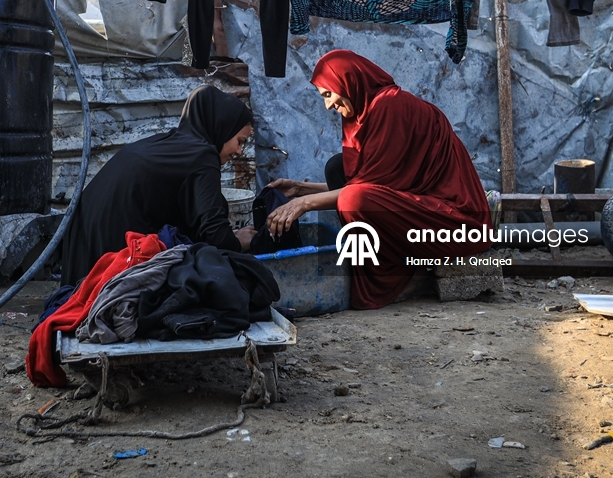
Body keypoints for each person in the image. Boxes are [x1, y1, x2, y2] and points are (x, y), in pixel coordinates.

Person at [265, 50, 491, 309]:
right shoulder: (362, 114)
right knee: (338, 168)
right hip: (421, 209)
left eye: (328, 94)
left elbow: (368, 192)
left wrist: (303, 205)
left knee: (353, 199)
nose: (328, 106)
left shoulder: (391, 106)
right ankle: (389, 263)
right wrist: (300, 190)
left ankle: (400, 274)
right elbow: (375, 184)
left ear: (348, 82)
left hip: (458, 224)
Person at [61, 85, 257, 286]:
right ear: (222, 128)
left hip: (82, 254)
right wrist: (238, 242)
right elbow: (214, 233)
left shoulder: (169, 145)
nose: (239, 152)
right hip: (109, 262)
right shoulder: (201, 156)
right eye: (240, 141)